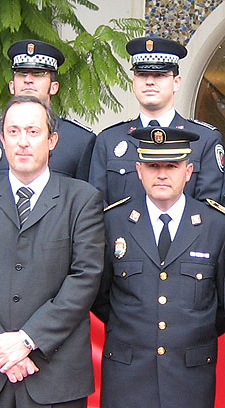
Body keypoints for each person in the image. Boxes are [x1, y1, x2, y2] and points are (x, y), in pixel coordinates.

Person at [0, 95, 104, 407]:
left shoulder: (82, 200)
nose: (23, 142)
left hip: (54, 373)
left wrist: (27, 340)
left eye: (33, 132)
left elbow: (84, 278)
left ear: (52, 140)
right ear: (2, 139)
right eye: (14, 132)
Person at [93, 126, 225, 408]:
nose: (162, 174)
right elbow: (101, 297)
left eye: (172, 165)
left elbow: (221, 306)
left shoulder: (216, 225)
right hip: (127, 376)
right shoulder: (112, 222)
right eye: (153, 165)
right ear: (139, 170)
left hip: (190, 378)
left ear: (188, 171)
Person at [89, 36, 224, 205]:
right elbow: (96, 209)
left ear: (176, 82)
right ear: (134, 82)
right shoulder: (108, 140)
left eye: (159, 75)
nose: (150, 82)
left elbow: (209, 211)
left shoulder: (204, 140)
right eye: (142, 74)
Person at [0, 39, 95, 182]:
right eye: (22, 73)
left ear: (54, 87)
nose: (28, 80)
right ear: (11, 85)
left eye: (38, 73)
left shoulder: (79, 140)